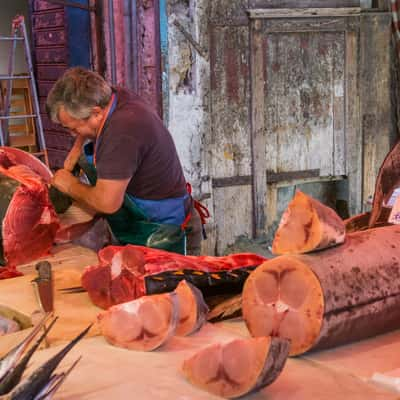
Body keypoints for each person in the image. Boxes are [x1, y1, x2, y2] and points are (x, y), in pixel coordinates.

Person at [46, 67, 205, 254]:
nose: (73, 135)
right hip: (142, 230)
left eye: (73, 129)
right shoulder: (111, 98)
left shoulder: (121, 132)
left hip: (166, 237)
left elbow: (107, 203)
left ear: (96, 113)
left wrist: (70, 185)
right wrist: (77, 148)